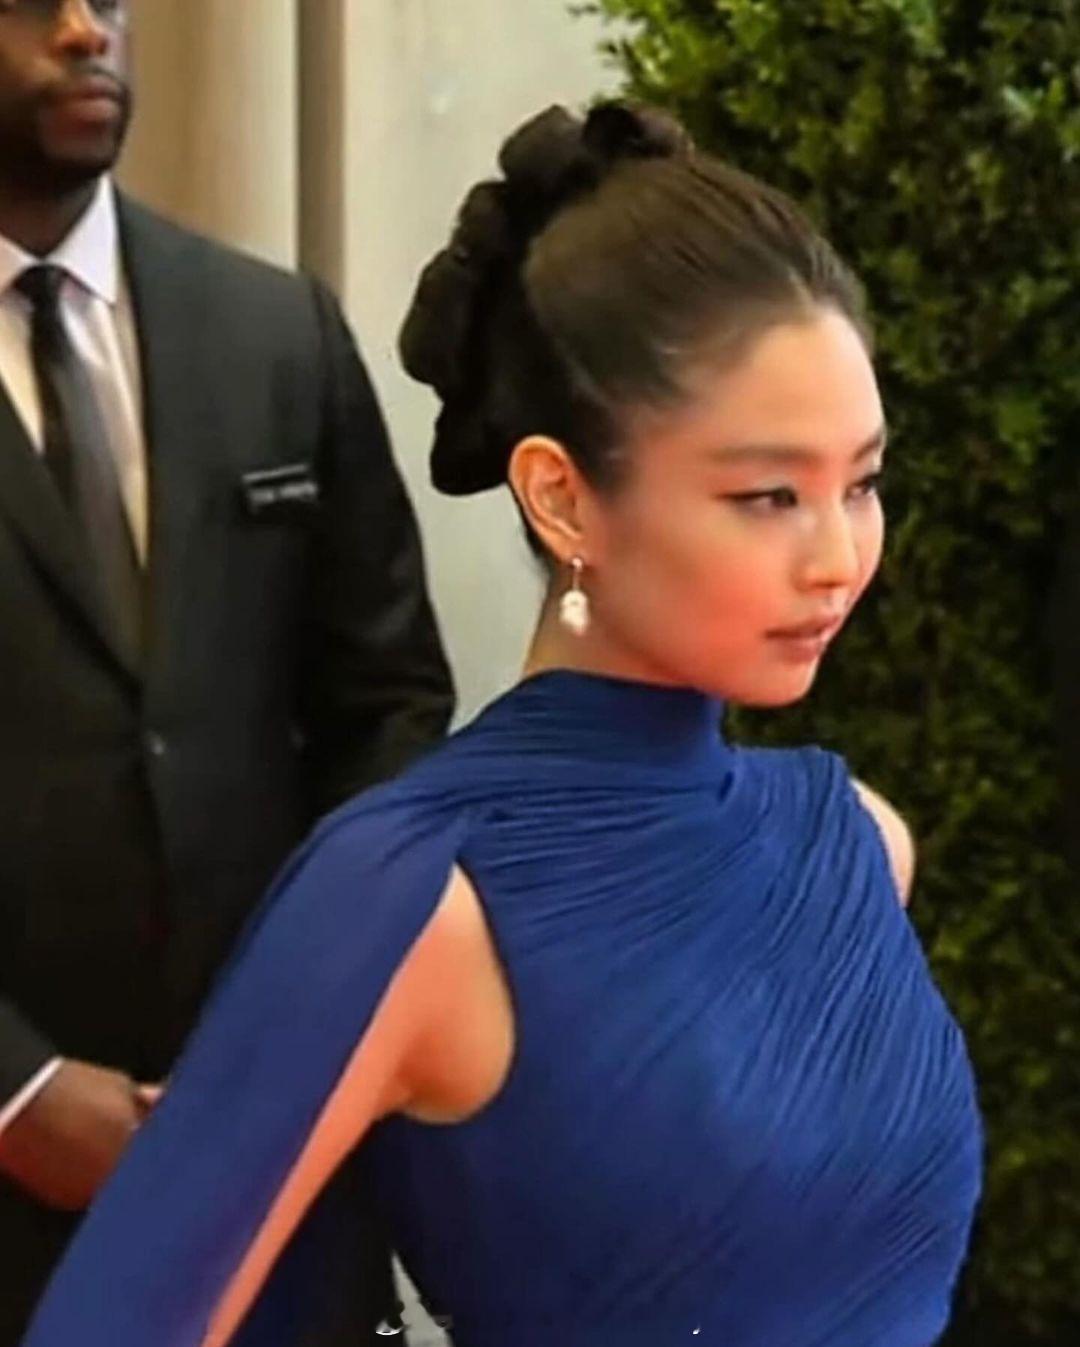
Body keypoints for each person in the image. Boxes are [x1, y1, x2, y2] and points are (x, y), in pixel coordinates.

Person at [22, 100, 981, 1347]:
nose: (840, 557)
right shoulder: (412, 896)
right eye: (768, 496)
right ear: (561, 496)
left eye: (862, 483)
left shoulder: (857, 843)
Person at [0, 1, 453, 1343]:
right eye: (31, 2)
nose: (86, 31)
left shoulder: (275, 332)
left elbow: (390, 708)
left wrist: (302, 1030)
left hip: (275, 1183)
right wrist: (15, 1092)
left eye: (109, 0)